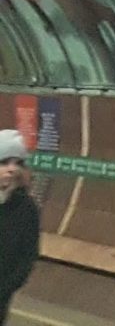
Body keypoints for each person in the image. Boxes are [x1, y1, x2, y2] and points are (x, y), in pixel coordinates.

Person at [0, 131, 37, 323]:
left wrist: (6, 288)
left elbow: (27, 255)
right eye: (4, 163)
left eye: (18, 163)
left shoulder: (26, 208)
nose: (12, 169)